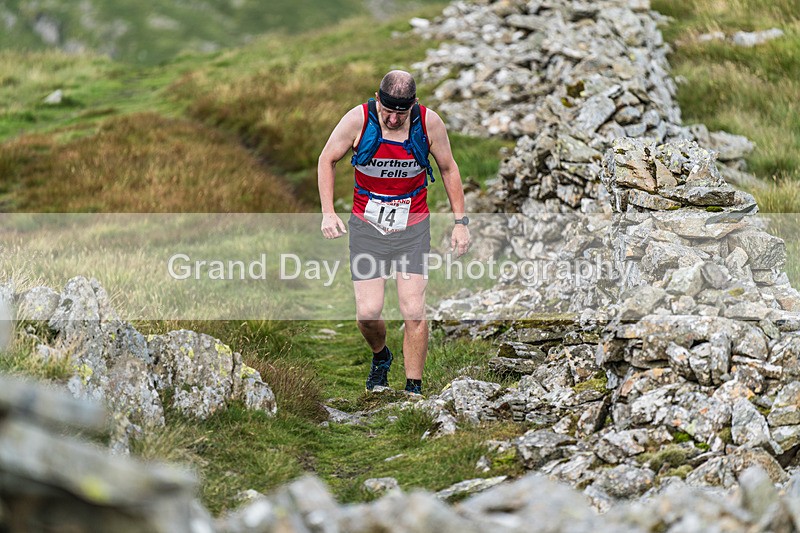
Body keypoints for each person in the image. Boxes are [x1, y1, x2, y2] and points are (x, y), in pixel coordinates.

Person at [318, 70, 470, 395]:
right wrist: (328, 212)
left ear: (413, 105)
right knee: (368, 313)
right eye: (387, 111)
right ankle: (381, 355)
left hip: (412, 229)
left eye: (401, 113)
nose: (393, 119)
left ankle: (413, 390)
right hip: (367, 229)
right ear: (377, 100)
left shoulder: (429, 124)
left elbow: (448, 167)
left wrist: (461, 223)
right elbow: (326, 159)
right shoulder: (357, 120)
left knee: (413, 309)